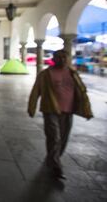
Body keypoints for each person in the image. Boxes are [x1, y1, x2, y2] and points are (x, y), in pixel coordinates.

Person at [28, 49, 93, 180]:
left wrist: (86, 110)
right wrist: (32, 107)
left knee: (63, 139)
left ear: (68, 59)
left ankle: (53, 158)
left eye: (64, 57)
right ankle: (56, 166)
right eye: (59, 57)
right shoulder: (45, 74)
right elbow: (36, 91)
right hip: (50, 109)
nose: (62, 60)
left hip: (68, 110)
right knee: (54, 137)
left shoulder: (73, 74)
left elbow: (82, 92)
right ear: (54, 58)